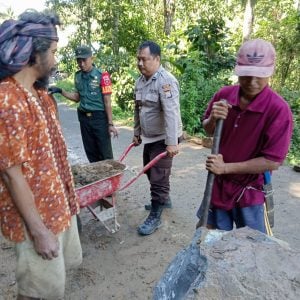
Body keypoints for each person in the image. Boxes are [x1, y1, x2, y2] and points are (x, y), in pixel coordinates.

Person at [0, 10, 82, 299]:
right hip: (37, 220)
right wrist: (38, 232)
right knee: (37, 292)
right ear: (35, 54)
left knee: (52, 286)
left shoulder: (40, 96)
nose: (56, 60)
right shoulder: (8, 99)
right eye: (54, 52)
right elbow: (11, 174)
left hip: (55, 211)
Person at [196, 39, 293, 233]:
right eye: (247, 74)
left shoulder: (278, 110)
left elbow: (272, 161)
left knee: (253, 248)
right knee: (206, 237)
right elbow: (208, 129)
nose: (252, 82)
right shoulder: (224, 95)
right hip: (218, 185)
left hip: (250, 191)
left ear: (270, 71)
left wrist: (225, 168)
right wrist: (213, 119)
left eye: (260, 75)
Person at [133, 41, 183, 236]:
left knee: (158, 179)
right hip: (149, 137)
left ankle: (156, 215)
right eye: (138, 59)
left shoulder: (166, 81)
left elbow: (171, 113)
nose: (140, 63)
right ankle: (164, 199)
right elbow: (138, 109)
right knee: (149, 170)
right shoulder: (140, 81)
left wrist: (172, 142)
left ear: (157, 59)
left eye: (144, 59)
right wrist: (137, 133)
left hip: (164, 138)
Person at [49, 45, 118, 163]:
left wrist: (110, 124)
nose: (81, 64)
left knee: (105, 153)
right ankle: (98, 180)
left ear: (92, 58)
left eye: (84, 60)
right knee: (90, 152)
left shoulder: (102, 76)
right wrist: (61, 91)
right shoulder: (78, 76)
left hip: (99, 118)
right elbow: (76, 98)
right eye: (78, 61)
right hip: (84, 119)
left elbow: (107, 101)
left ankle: (111, 180)